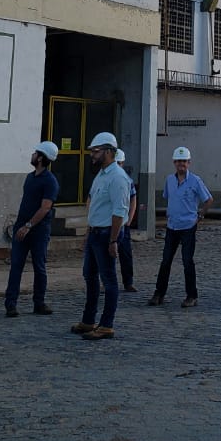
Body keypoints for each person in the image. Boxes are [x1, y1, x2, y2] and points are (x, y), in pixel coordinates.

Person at [72, 131, 131, 341]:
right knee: (90, 276)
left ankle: (106, 325)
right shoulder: (102, 174)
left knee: (109, 280)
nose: (92, 155)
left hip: (108, 234)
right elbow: (96, 206)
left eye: (96, 151)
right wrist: (89, 232)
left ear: (108, 151)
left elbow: (118, 212)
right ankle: (88, 320)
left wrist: (114, 240)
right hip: (96, 232)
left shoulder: (117, 178)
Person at [147, 146, 213, 308]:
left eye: (184, 161)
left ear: (189, 163)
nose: (181, 164)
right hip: (172, 226)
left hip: (188, 227)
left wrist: (200, 216)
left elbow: (208, 199)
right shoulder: (170, 180)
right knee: (165, 261)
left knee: (187, 261)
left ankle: (192, 295)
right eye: (178, 161)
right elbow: (168, 197)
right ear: (174, 163)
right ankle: (159, 293)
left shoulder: (195, 181)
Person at [4, 141, 60, 318]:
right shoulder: (30, 177)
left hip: (38, 230)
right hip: (22, 227)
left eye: (35, 153)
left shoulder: (50, 181)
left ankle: (39, 302)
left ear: (41, 158)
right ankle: (10, 304)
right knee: (16, 266)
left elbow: (45, 208)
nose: (32, 155)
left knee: (39, 267)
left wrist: (28, 226)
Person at [116, 148, 138, 292]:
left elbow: (133, 200)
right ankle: (107, 281)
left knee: (125, 254)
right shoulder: (105, 178)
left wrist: (130, 219)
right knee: (107, 254)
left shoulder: (127, 180)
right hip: (108, 222)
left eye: (119, 163)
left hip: (123, 224)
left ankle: (128, 282)